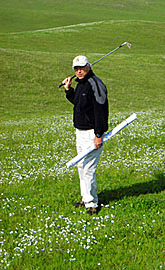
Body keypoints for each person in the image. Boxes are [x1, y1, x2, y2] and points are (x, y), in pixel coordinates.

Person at [62, 55, 109, 215]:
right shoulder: (80, 84)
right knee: (81, 166)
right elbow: (78, 103)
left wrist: (98, 134)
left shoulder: (95, 84)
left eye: (81, 67)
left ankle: (92, 204)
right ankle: (86, 197)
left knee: (89, 168)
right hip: (80, 131)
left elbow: (101, 110)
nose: (79, 71)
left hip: (92, 133)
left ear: (88, 66)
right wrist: (68, 89)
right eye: (76, 69)